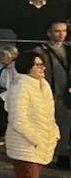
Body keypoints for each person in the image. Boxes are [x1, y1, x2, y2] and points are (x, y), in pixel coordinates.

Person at [3, 50, 56, 178]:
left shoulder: (44, 85)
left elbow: (49, 114)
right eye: (37, 64)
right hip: (25, 144)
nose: (42, 67)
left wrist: (54, 133)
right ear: (27, 67)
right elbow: (18, 119)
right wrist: (35, 138)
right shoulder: (20, 86)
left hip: (41, 141)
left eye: (42, 64)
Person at [35, 22, 71, 168]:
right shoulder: (40, 51)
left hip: (65, 95)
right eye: (57, 31)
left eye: (64, 31)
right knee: (45, 125)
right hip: (47, 94)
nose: (61, 34)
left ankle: (62, 155)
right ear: (49, 33)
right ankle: (43, 154)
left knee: (65, 126)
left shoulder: (68, 50)